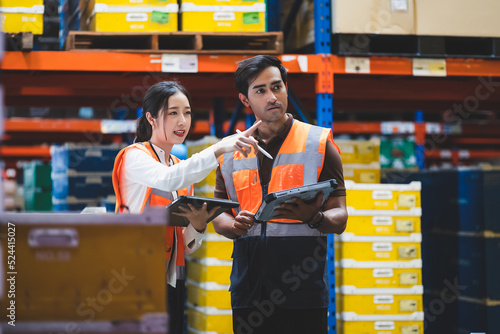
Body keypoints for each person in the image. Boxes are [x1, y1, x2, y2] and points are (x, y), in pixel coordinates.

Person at [212, 55, 348, 334]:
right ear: (245, 100)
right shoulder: (229, 151)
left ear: (286, 87)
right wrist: (231, 225)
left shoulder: (319, 143)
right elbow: (219, 212)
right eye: (260, 90)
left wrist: (315, 216)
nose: (272, 96)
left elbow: (341, 215)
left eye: (277, 87)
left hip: (303, 290)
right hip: (249, 289)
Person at [111, 81, 261, 334]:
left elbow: (184, 243)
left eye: (188, 112)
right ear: (151, 118)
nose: (182, 121)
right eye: (173, 113)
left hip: (170, 280)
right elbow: (167, 178)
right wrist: (219, 147)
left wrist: (199, 225)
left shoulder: (179, 168)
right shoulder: (134, 156)